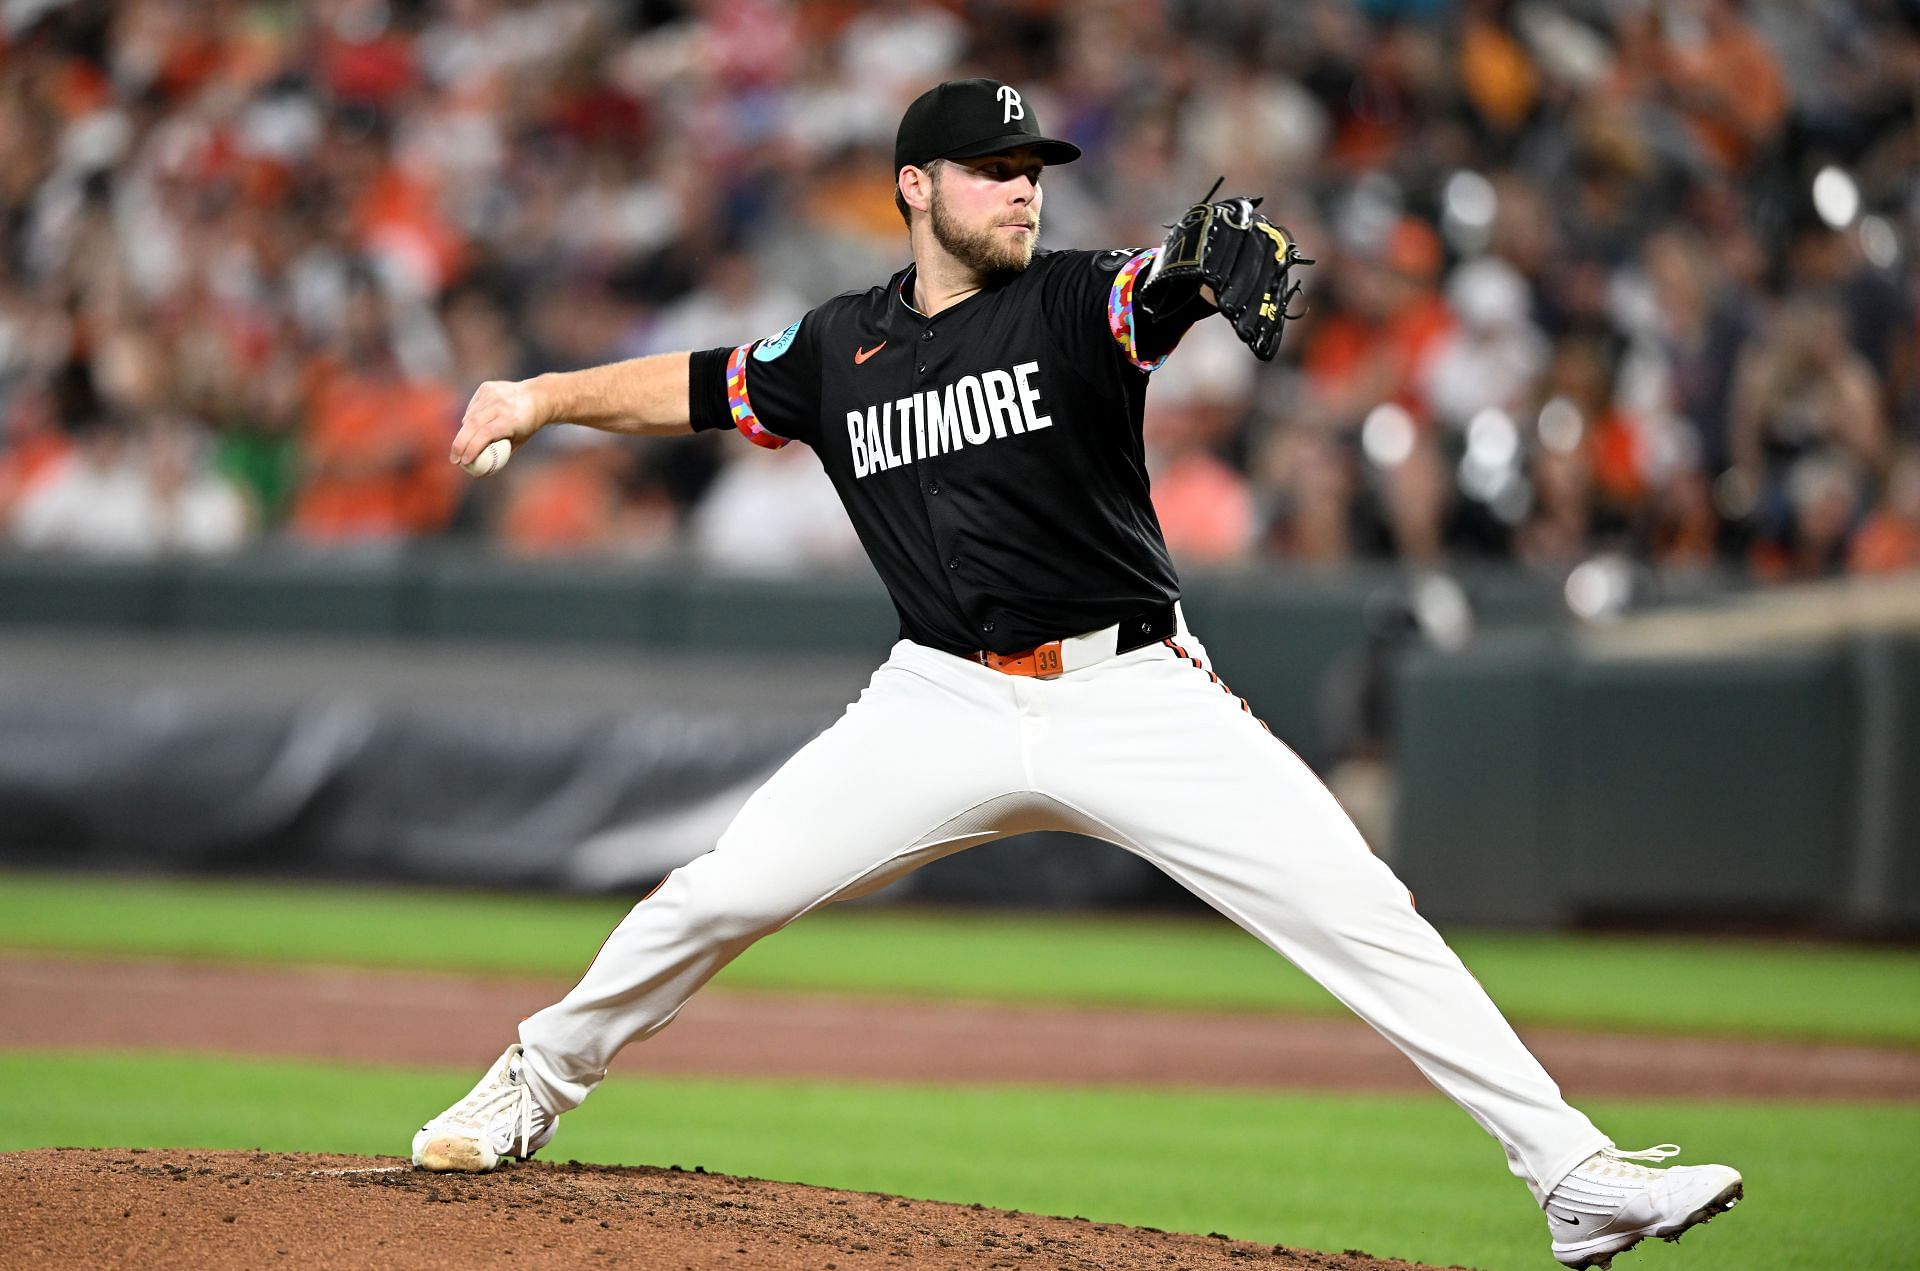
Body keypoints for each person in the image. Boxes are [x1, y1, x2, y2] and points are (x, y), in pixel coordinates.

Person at [412, 79, 1742, 1269]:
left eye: (1035, 167)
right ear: (914, 189)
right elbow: (703, 384)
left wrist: (1197, 275)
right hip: (938, 700)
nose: (1024, 185)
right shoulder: (838, 348)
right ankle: (530, 1082)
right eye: (995, 169)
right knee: (720, 890)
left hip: (1134, 694)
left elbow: (1151, 288)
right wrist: (537, 398)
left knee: (1361, 911)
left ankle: (1569, 1173)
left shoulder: (1072, 300)